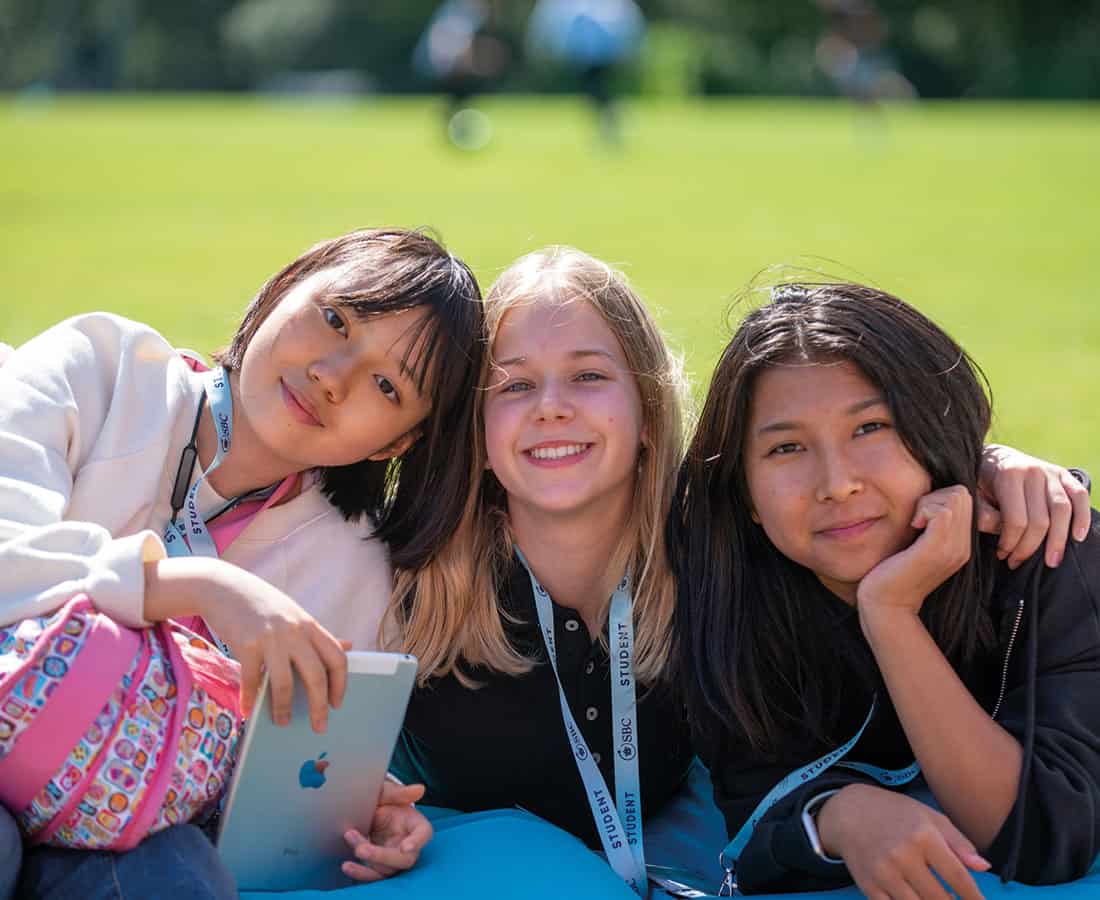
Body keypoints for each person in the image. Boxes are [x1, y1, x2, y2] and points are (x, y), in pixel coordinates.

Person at [387, 249, 1087, 898]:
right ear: (472, 429)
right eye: (513, 385)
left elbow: (1040, 834)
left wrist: (986, 470)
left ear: (650, 412)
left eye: (590, 375)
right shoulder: (406, 567)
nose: (551, 406)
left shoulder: (711, 555)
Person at [0, 228, 483, 898]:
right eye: (337, 319)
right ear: (285, 286)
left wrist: (350, 811)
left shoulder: (353, 570)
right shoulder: (102, 364)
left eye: (384, 384)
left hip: (124, 816)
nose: (331, 376)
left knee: (181, 879)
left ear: (396, 443)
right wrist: (196, 585)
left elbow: (274, 780)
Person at [672, 282, 1098, 897]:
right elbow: (755, 794)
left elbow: (1039, 838)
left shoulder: (1047, 551)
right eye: (786, 447)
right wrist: (837, 815)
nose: (837, 483)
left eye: (871, 427)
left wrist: (892, 613)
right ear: (747, 495)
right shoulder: (723, 586)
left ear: (936, 434)